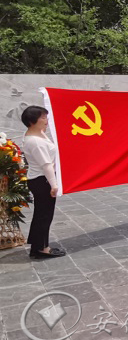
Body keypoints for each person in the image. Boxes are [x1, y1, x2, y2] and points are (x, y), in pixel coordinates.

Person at [21, 106, 65, 259]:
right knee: (44, 216)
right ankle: (42, 249)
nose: (46, 120)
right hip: (42, 180)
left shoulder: (36, 134)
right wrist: (54, 185)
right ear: (32, 121)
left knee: (42, 215)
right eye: (43, 118)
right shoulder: (35, 142)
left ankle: (38, 247)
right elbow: (46, 165)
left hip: (40, 179)